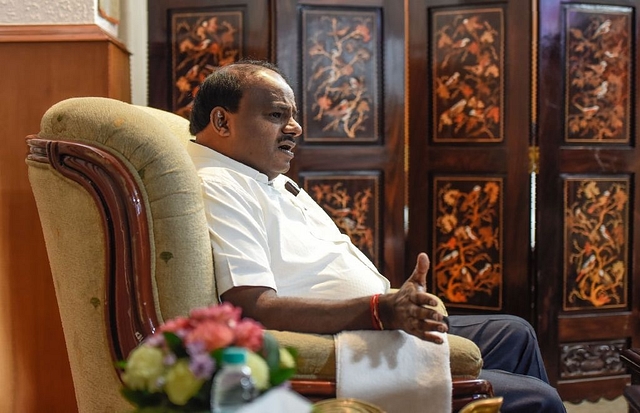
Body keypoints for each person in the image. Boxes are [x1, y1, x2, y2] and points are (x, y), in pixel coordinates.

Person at [186, 59, 566, 412]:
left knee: (516, 333)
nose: (296, 128)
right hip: (347, 345)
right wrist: (379, 310)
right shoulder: (220, 184)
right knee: (538, 400)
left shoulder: (262, 178)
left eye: (294, 116)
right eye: (276, 115)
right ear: (222, 121)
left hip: (374, 324)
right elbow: (254, 308)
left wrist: (395, 304)